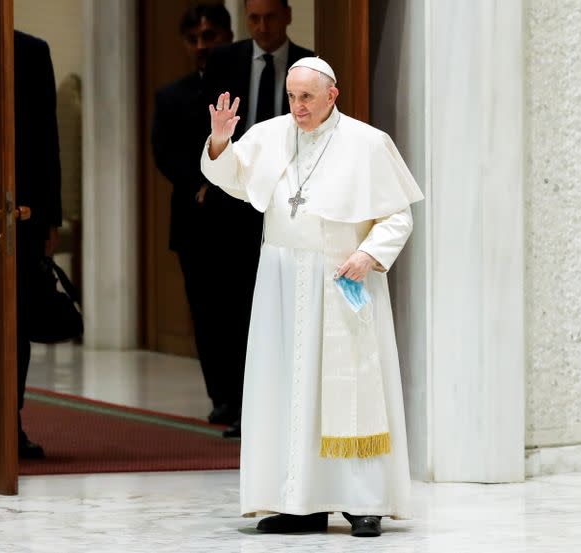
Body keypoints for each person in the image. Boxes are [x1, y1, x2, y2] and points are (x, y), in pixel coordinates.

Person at [200, 58, 424, 537]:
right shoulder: (272, 134)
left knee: (350, 392)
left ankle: (364, 502)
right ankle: (299, 502)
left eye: (306, 97)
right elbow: (233, 176)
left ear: (332, 95)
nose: (297, 107)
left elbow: (398, 217)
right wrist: (220, 139)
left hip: (341, 278)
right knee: (288, 390)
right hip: (281, 280)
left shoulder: (367, 143)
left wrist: (368, 255)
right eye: (291, 96)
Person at [201, 0, 314, 438]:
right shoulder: (224, 61)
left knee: (283, 308)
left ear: (287, 15)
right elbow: (207, 125)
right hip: (233, 203)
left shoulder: (309, 67)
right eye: (254, 18)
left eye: (270, 17)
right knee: (232, 309)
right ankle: (237, 405)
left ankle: (286, 406)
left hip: (292, 205)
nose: (263, 26)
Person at [151, 4, 235, 425]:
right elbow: (164, 153)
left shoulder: (240, 85)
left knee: (240, 309)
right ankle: (220, 396)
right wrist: (201, 182)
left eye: (211, 36)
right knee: (205, 311)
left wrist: (221, 182)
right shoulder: (171, 96)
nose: (203, 46)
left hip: (239, 217)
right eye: (195, 38)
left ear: (227, 35)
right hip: (193, 217)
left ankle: (246, 395)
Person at [14, 30, 63, 459]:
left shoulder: (31, 50)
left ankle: (9, 419)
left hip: (21, 213)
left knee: (16, 323)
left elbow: (47, 139)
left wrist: (51, 218)